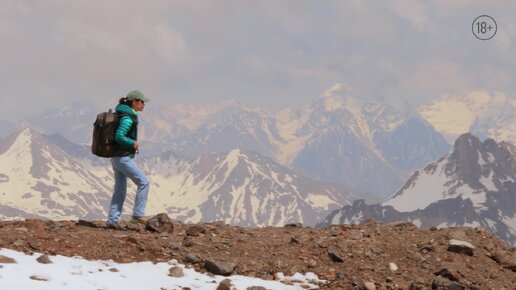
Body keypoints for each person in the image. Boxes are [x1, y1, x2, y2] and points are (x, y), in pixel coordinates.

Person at [106, 90, 151, 228]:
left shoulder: (122, 114)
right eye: (142, 102)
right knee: (144, 182)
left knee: (120, 189)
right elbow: (119, 136)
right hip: (122, 158)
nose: (144, 104)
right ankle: (138, 215)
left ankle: (112, 221)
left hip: (116, 157)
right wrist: (133, 143)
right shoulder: (128, 117)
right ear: (134, 102)